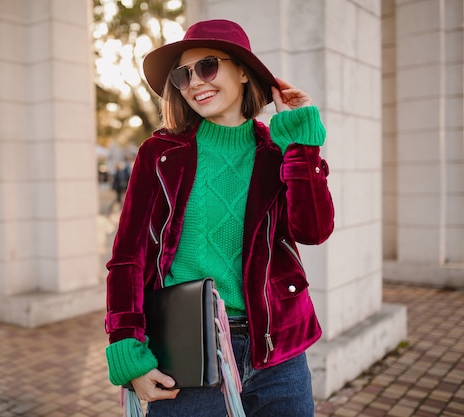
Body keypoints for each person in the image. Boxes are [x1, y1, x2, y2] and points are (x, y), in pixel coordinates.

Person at [103, 19, 335, 417]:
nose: (195, 82)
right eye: (182, 74)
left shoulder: (277, 151)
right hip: (187, 347)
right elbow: (128, 257)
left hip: (277, 352)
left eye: (207, 66)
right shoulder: (159, 154)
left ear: (244, 71)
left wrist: (301, 144)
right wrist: (125, 343)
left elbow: (313, 230)